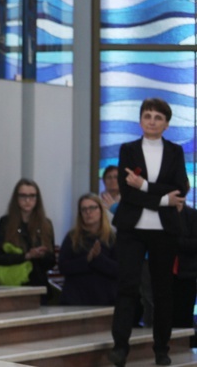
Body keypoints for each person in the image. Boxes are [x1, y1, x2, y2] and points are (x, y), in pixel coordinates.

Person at [108, 98, 188, 367]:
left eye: (158, 117)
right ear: (140, 120)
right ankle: (120, 346)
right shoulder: (128, 149)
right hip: (132, 229)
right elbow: (127, 192)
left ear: (166, 124)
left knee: (163, 290)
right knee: (127, 287)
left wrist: (143, 185)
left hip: (164, 231)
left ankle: (161, 350)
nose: (152, 120)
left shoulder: (175, 152)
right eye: (147, 115)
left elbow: (181, 188)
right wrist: (163, 199)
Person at [0, 179, 56, 297]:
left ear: (37, 199)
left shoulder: (46, 224)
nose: (27, 201)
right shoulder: (6, 222)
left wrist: (41, 255)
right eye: (23, 196)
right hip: (13, 285)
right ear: (16, 198)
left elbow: (52, 261)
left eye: (32, 196)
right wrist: (26, 256)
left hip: (38, 285)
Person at [58, 194, 117, 306]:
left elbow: (119, 270)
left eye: (92, 208)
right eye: (84, 209)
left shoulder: (112, 238)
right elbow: (63, 267)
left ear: (101, 210)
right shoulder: (72, 237)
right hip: (76, 298)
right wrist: (87, 259)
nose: (88, 212)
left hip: (104, 298)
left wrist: (99, 258)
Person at [172, 198, 197, 347]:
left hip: (187, 272)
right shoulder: (160, 213)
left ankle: (183, 347)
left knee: (184, 314)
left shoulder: (192, 215)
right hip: (163, 271)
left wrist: (175, 241)